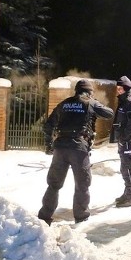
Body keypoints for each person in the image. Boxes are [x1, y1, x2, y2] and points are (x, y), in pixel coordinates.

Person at [38, 79, 114, 225]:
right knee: (82, 184)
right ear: (89, 92)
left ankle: (44, 216)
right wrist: (94, 102)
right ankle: (81, 217)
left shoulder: (64, 104)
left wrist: (49, 145)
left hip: (60, 148)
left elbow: (48, 126)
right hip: (78, 149)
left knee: (54, 184)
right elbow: (109, 113)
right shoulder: (90, 102)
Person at [110, 76, 131, 208]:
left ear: (126, 88)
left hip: (128, 141)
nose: (118, 91)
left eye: (120, 88)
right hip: (124, 140)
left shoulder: (129, 102)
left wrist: (124, 138)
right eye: (117, 88)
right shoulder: (124, 101)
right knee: (124, 168)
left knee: (129, 168)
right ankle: (127, 192)